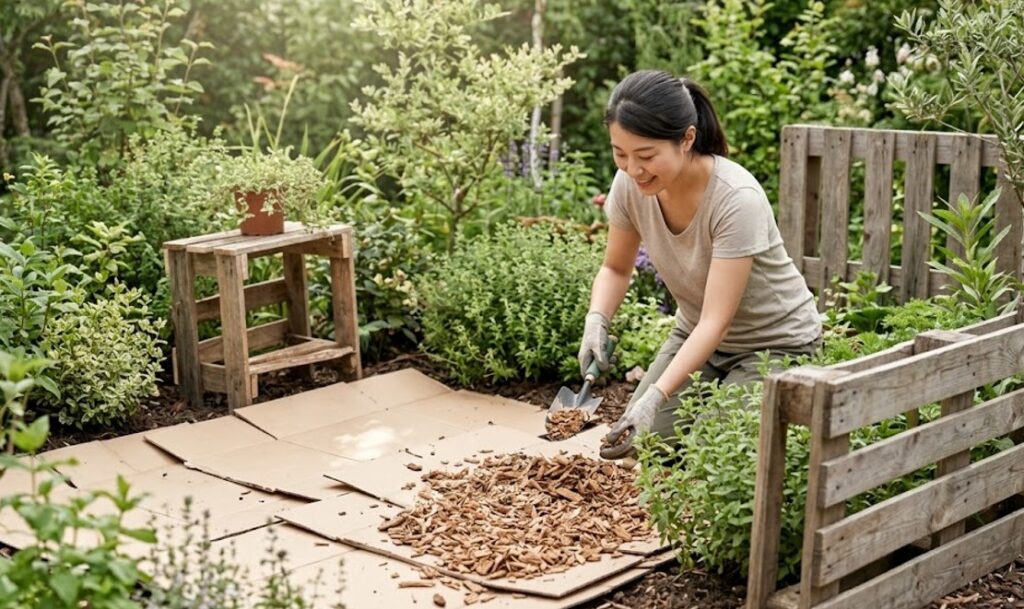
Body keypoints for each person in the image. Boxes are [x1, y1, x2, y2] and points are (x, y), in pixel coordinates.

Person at [580, 70, 822, 459]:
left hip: (775, 343)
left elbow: (717, 319)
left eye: (646, 155)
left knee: (714, 458)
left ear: (687, 139)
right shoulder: (629, 184)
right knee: (642, 445)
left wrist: (656, 395)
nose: (632, 168)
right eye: (619, 153)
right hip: (697, 337)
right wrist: (597, 320)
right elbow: (615, 269)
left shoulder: (735, 199)